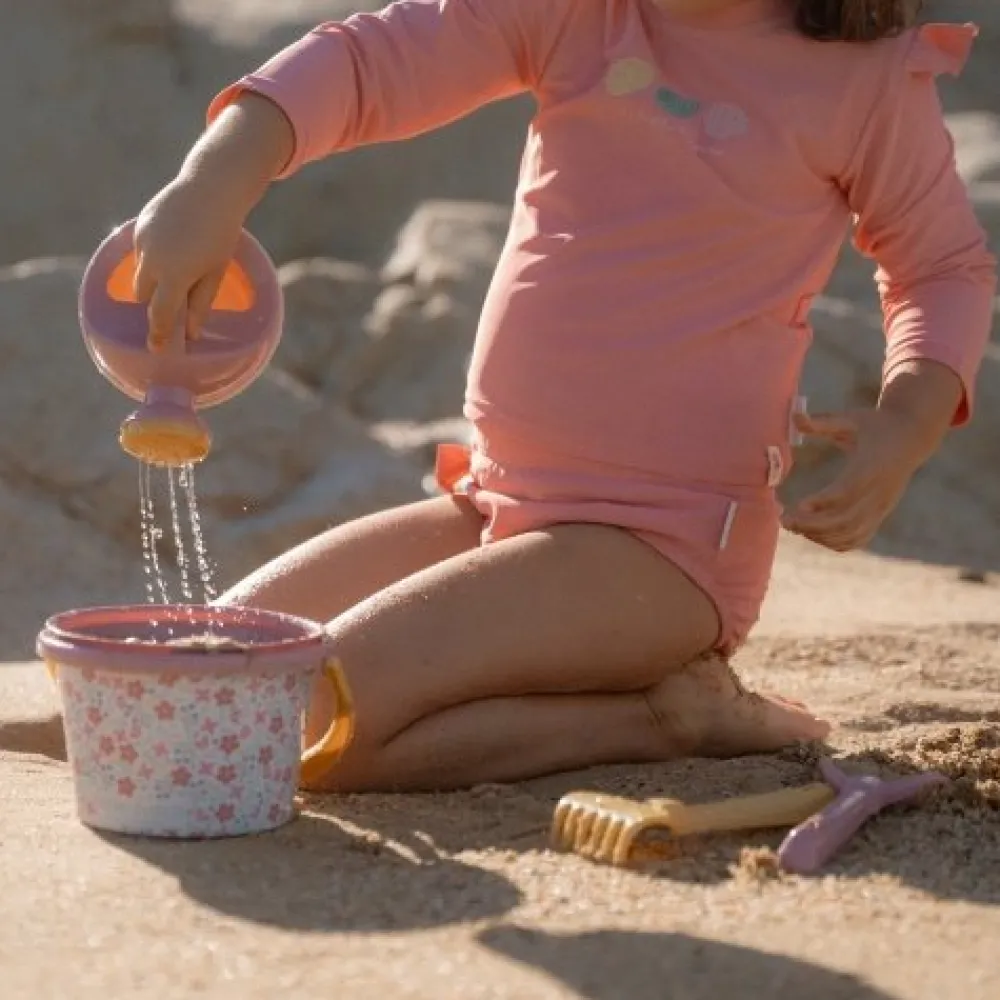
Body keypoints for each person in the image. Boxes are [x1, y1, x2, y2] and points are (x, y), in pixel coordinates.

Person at [130, 0, 996, 792]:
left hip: (665, 547)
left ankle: (667, 716)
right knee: (207, 673)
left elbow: (940, 268)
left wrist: (909, 420)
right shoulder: (584, 13)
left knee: (315, 721)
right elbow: (375, 58)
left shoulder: (866, 79)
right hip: (504, 502)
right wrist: (218, 178)